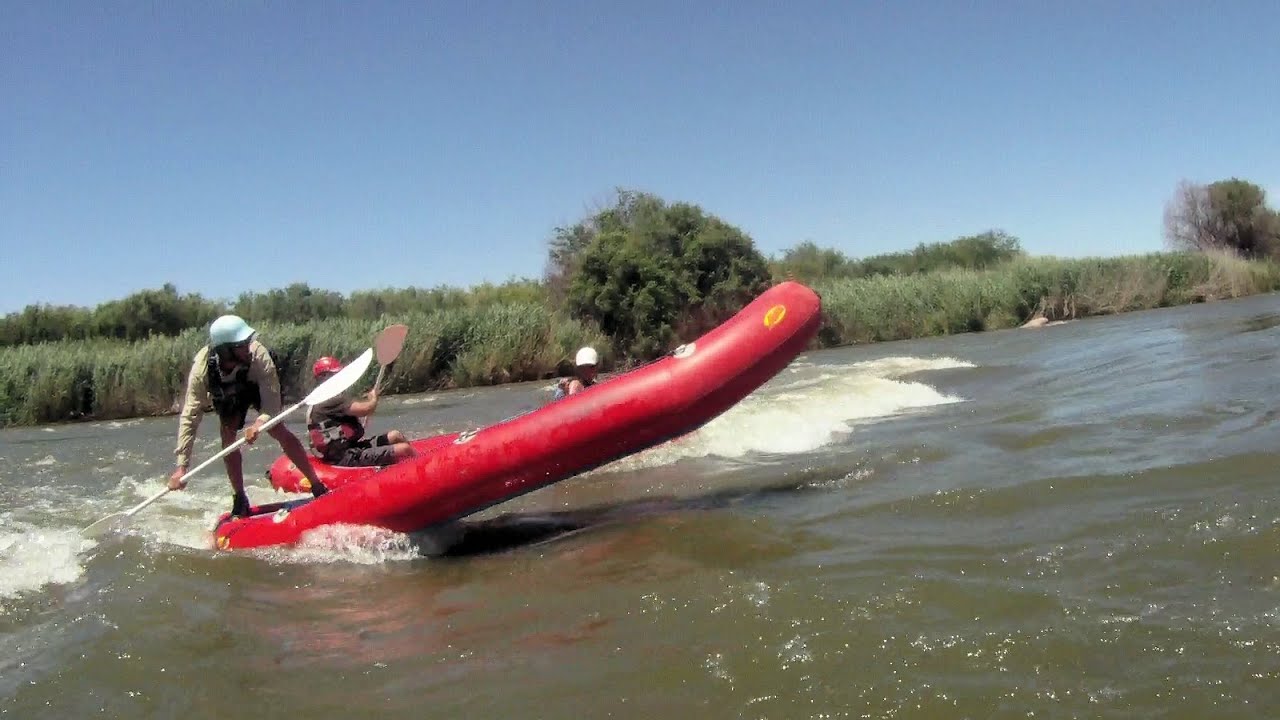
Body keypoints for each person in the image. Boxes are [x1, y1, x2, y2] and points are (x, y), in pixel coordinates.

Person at [168, 315, 328, 518]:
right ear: (225, 350)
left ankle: (316, 484)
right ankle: (240, 497)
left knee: (277, 428)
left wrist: (259, 422)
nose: (248, 347)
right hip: (228, 395)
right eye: (242, 344)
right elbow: (190, 416)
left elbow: (271, 403)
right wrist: (182, 467)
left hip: (256, 388)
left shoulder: (259, 356)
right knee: (228, 439)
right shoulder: (201, 370)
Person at [306, 356, 416, 467]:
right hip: (344, 457)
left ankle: (410, 464)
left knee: (395, 435)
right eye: (336, 375)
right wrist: (373, 397)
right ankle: (419, 470)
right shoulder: (328, 399)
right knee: (404, 449)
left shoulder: (322, 399)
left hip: (351, 447)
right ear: (324, 377)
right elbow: (367, 409)